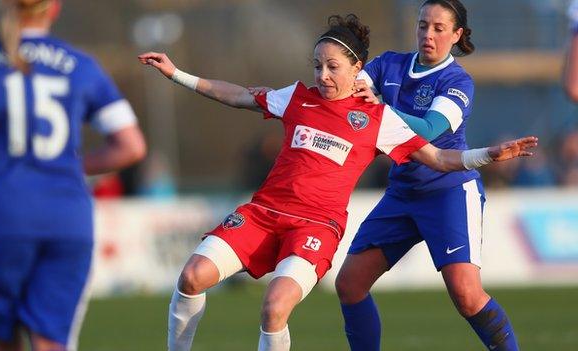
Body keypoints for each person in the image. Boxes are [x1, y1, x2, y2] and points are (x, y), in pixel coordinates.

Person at [139, 13, 536, 351]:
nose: (322, 75)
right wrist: (176, 74)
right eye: (317, 65)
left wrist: (488, 155)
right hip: (261, 214)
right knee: (191, 277)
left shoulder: (379, 119)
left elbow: (438, 157)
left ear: (356, 70)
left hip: (315, 227)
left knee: (274, 306)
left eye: (332, 67)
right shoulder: (296, 97)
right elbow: (238, 95)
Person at [0, 1, 146, 350]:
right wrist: (69, 165)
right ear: (53, 9)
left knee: (0, 339)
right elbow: (131, 146)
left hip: (1, 214)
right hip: (68, 219)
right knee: (50, 341)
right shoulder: (82, 65)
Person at [335, 1, 521, 350]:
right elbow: (347, 87)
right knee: (349, 284)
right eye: (423, 25)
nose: (428, 35)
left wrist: (380, 108)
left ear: (457, 34)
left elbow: (430, 130)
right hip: (402, 192)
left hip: (448, 192)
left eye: (438, 28)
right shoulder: (387, 64)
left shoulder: (457, 81)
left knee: (466, 296)